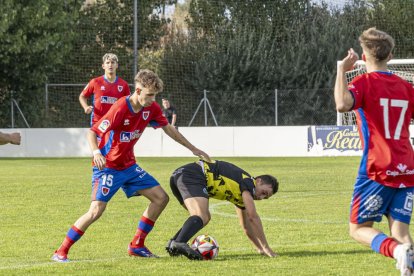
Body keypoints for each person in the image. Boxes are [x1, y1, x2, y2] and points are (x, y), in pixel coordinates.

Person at [52, 69, 210, 262]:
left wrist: (193, 148)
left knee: (160, 198)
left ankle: (137, 244)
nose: (153, 99)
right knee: (96, 211)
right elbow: (92, 132)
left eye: (155, 95)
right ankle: (61, 251)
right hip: (108, 166)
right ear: (138, 90)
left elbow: (169, 129)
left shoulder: (151, 108)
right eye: (149, 95)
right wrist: (96, 152)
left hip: (129, 166)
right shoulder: (120, 108)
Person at [334, 27, 414, 275]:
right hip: (407, 167)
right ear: (390, 56)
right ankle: (406, 259)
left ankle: (396, 251)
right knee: (401, 233)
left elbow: (342, 104)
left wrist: (341, 71)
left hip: (377, 168)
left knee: (358, 229)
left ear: (363, 56)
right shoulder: (407, 87)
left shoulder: (363, 83)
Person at [165, 159, 278, 260]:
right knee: (201, 215)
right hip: (191, 175)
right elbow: (252, 217)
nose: (261, 197)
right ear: (258, 181)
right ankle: (179, 242)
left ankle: (173, 245)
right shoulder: (248, 183)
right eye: (263, 193)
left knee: (204, 216)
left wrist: (259, 248)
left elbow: (246, 226)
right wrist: (266, 247)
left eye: (265, 198)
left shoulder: (243, 193)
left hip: (180, 175)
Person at [79, 53, 131, 126]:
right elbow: (82, 96)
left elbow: (129, 103)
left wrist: (127, 118)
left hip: (115, 124)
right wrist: (85, 107)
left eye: (113, 62)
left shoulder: (124, 84)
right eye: (107, 63)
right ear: (103, 66)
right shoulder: (95, 82)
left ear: (117, 65)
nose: (110, 65)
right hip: (97, 123)